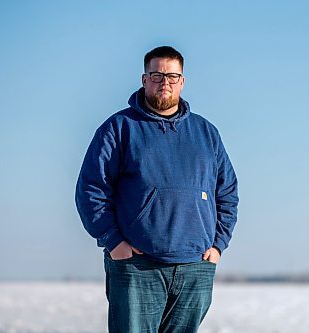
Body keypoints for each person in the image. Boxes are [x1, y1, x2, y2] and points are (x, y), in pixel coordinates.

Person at [75, 45, 239, 333]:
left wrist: (217, 246)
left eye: (173, 76)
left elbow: (227, 193)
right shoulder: (120, 128)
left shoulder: (206, 133)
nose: (165, 83)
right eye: (157, 75)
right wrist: (113, 241)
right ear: (144, 79)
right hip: (138, 266)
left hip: (195, 267)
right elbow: (91, 189)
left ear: (183, 81)